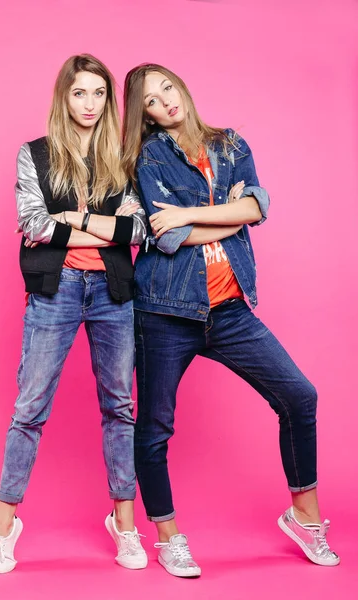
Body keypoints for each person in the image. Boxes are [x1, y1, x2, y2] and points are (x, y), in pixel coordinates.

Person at [121, 63, 340, 577]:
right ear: (145, 115)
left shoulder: (229, 143)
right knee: (154, 427)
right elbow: (166, 236)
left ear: (182, 86)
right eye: (151, 100)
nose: (165, 101)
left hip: (231, 308)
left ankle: (305, 518)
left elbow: (258, 206)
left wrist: (186, 213)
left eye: (167, 88)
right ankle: (168, 536)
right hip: (165, 310)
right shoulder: (148, 156)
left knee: (298, 396)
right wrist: (218, 215)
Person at [0, 54, 148, 574]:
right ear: (64, 96)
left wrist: (71, 219)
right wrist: (105, 227)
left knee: (120, 406)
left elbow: (138, 232)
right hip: (54, 291)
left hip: (112, 292)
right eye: (80, 93)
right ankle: (4, 529)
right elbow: (32, 224)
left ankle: (125, 525)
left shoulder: (123, 157)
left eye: (99, 94)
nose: (90, 104)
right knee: (30, 407)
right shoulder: (33, 155)